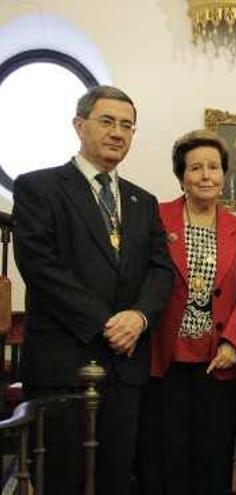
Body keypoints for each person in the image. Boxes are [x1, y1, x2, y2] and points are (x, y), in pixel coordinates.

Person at [12, 85, 173, 495]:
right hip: (64, 364)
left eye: (127, 125)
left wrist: (138, 317)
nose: (118, 133)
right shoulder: (39, 188)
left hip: (125, 368)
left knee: (115, 479)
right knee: (62, 479)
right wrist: (105, 324)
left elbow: (161, 270)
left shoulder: (142, 201)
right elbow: (40, 267)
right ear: (79, 125)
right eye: (107, 121)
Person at [137, 129, 236, 494]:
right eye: (196, 167)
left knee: (213, 459)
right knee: (163, 460)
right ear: (181, 175)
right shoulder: (155, 217)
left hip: (217, 363)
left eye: (214, 167)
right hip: (163, 360)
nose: (205, 175)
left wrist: (234, 342)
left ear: (224, 174)